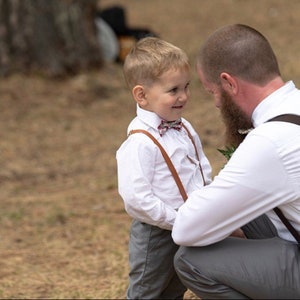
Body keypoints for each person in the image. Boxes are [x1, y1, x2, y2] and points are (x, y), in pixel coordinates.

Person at [172, 24, 300, 299]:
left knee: (191, 260)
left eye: (212, 92)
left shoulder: (269, 142)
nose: (217, 103)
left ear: (229, 83)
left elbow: (185, 229)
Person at [116, 37, 212, 299]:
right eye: (173, 90)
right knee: (147, 289)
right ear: (142, 95)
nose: (183, 96)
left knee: (176, 285)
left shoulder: (184, 127)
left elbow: (200, 165)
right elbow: (136, 199)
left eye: (186, 87)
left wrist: (207, 196)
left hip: (188, 223)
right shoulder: (139, 143)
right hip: (156, 232)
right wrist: (174, 219)